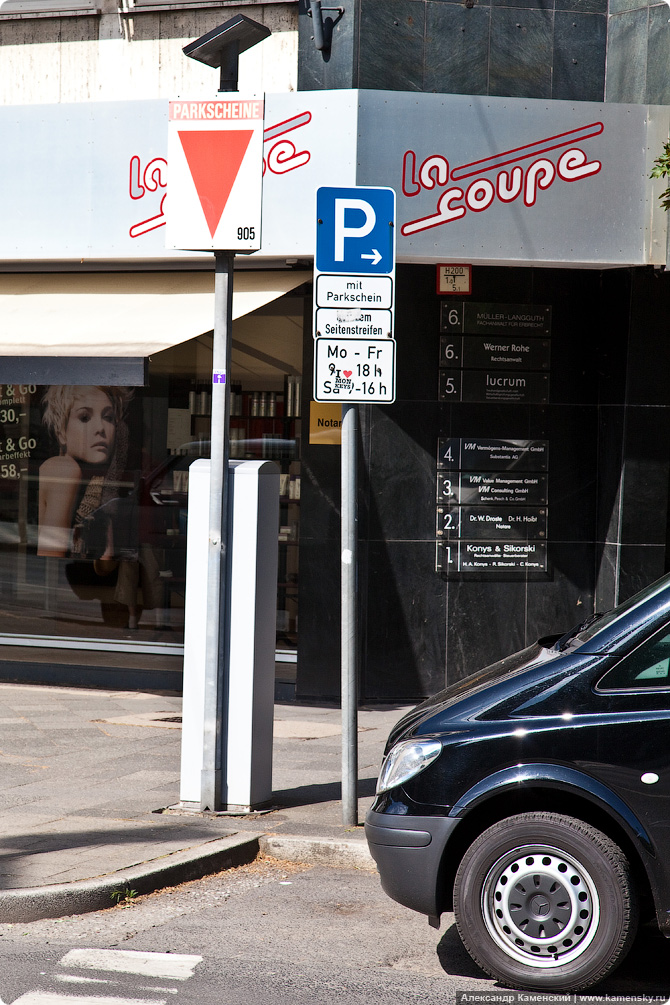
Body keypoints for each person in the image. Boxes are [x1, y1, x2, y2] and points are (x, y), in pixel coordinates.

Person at [38, 385, 131, 559]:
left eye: (108, 417)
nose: (100, 428)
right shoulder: (64, 470)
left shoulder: (97, 482)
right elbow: (49, 563)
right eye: (85, 417)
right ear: (61, 432)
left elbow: (106, 560)